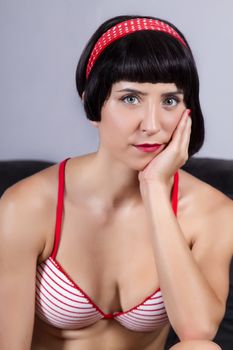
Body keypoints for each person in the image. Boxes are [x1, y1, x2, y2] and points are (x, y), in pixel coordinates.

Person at [0, 14, 232, 350]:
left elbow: (199, 331)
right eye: (130, 98)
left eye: (170, 100)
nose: (152, 124)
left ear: (188, 110)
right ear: (93, 104)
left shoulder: (213, 212)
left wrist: (154, 188)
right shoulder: (26, 206)